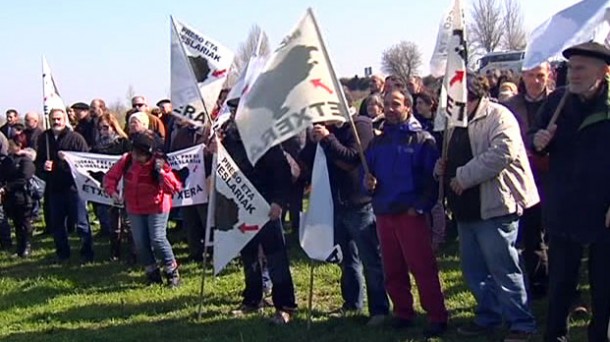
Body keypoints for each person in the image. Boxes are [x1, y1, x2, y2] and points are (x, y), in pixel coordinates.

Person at [436, 73, 539, 341]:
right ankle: (488, 316)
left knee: (504, 267)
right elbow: (451, 154)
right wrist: (442, 169)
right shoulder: (453, 121)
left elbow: (502, 152)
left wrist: (464, 176)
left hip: (495, 205)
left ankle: (521, 323)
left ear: (472, 95)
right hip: (465, 209)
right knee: (474, 271)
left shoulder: (498, 116)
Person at [530, 42, 610, 342]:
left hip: (604, 212)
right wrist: (539, 140)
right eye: (570, 68)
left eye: (580, 68)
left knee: (605, 288)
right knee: (560, 284)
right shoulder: (557, 103)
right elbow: (535, 139)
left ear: (604, 71)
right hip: (564, 206)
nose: (572, 74)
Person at [364, 88, 448, 338]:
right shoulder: (377, 142)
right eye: (387, 104)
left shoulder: (422, 140)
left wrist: (419, 207)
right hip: (383, 213)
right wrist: (367, 184)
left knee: (422, 267)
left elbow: (432, 181)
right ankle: (403, 312)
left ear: (407, 108)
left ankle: (436, 315)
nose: (390, 109)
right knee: (392, 268)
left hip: (410, 214)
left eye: (396, 104)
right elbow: (366, 176)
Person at [310, 104, 390, 327]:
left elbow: (353, 158)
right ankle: (352, 302)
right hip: (337, 204)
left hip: (360, 205)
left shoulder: (361, 125)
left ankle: (379, 309)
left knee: (371, 260)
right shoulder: (328, 130)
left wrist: (327, 139)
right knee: (347, 260)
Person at [219, 101, 297, 325]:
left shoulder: (266, 137)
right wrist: (216, 153)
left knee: (275, 257)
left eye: (239, 111)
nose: (235, 115)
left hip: (266, 206)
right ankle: (252, 300)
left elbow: (281, 172)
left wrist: (278, 202)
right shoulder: (230, 140)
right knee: (249, 256)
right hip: (241, 206)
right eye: (233, 111)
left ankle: (285, 305)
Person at [104, 132, 182, 287]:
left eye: (139, 154)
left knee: (158, 239)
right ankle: (152, 273)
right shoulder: (126, 160)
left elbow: (173, 188)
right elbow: (109, 177)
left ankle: (172, 271)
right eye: (134, 152)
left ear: (148, 154)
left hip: (157, 207)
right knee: (140, 243)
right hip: (134, 207)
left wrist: (161, 173)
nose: (135, 157)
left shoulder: (159, 164)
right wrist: (112, 192)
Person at [502, 62, 552, 301]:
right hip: (525, 178)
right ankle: (539, 281)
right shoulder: (510, 107)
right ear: (523, 76)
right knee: (532, 235)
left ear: (548, 75)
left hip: (556, 176)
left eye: (540, 75)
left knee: (559, 235)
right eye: (531, 75)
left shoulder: (560, 102)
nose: (535, 81)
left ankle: (565, 287)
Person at [35, 108, 94, 263]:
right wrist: (43, 166)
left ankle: (87, 252)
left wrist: (59, 165)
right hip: (54, 188)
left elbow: (83, 163)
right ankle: (62, 253)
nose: (56, 122)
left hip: (74, 188)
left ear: (65, 119)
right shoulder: (44, 138)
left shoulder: (76, 138)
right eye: (53, 119)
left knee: (81, 222)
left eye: (59, 119)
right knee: (57, 223)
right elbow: (38, 161)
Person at [90, 113, 134, 262]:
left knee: (127, 221)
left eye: (106, 127)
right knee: (112, 221)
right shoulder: (96, 147)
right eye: (100, 128)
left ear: (113, 127)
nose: (103, 131)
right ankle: (115, 251)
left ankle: (132, 252)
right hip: (106, 188)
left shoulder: (124, 143)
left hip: (124, 187)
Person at [170, 121, 213, 263]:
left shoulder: (210, 130)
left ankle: (213, 251)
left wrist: (209, 152)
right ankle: (195, 252)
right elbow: (173, 156)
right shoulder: (180, 134)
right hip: (186, 184)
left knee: (207, 218)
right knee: (190, 219)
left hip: (205, 181)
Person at [0, 137, 37, 257]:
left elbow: (24, 178)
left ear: (19, 145)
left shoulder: (25, 161)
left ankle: (27, 246)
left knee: (24, 222)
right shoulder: (7, 161)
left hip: (23, 196)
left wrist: (7, 187)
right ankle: (19, 247)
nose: (9, 148)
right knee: (16, 223)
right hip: (10, 198)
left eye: (11, 145)